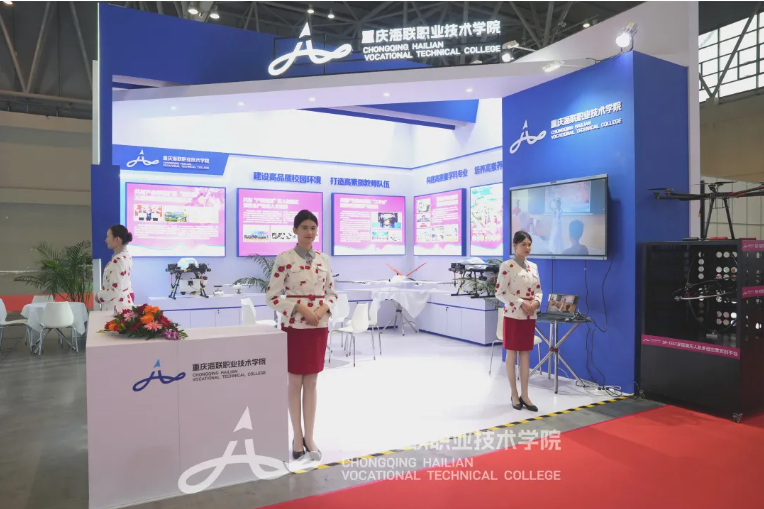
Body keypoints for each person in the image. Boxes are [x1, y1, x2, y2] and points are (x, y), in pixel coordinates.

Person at [266, 210, 338, 462]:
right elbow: (272, 297)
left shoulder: (323, 259)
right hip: (295, 328)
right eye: (305, 227)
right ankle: (297, 437)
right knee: (295, 382)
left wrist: (321, 309)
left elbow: (332, 293)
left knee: (312, 382)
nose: (310, 232)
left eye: (313, 228)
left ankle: (310, 437)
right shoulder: (284, 259)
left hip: (318, 327)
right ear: (295, 230)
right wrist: (299, 308)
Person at [495, 231, 543, 412]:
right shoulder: (507, 266)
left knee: (525, 354)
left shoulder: (534, 267)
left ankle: (525, 394)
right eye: (524, 244)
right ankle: (514, 393)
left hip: (530, 315)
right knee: (512, 353)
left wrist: (536, 302)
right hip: (513, 314)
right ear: (514, 245)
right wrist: (522, 302)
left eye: (529, 244)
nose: (527, 248)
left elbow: (538, 290)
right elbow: (500, 292)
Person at [97, 225, 134, 312]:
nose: (106, 240)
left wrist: (98, 295)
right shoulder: (126, 256)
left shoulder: (118, 260)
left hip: (116, 307)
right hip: (123, 303)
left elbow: (115, 291)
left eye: (108, 237)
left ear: (117, 239)